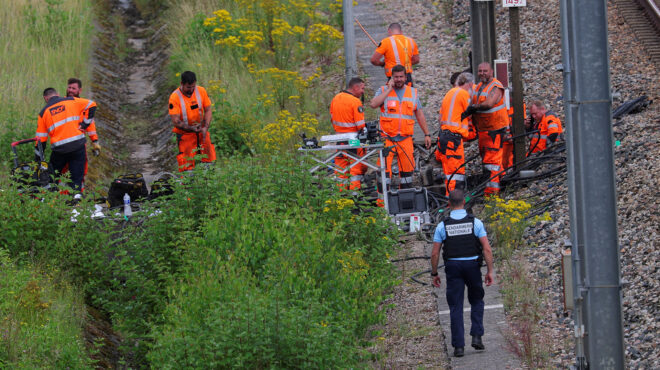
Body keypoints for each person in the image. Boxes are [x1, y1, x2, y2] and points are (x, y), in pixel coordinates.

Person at [431, 189, 494, 358]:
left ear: (449, 204)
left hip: (453, 267)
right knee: (476, 300)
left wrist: (434, 273)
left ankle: (459, 347)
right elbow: (487, 249)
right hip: (473, 266)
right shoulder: (476, 223)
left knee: (455, 306)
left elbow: (435, 253)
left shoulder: (442, 225)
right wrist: (490, 271)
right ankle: (477, 336)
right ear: (464, 203)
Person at [369, 65, 432, 189]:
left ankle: (405, 201)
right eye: (396, 77)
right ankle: (382, 205)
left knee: (407, 173)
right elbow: (373, 104)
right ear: (392, 77)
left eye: (401, 77)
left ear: (405, 77)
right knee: (383, 173)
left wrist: (426, 134)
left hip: (405, 139)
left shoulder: (412, 92)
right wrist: (388, 89)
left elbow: (419, 114)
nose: (398, 79)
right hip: (387, 139)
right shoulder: (383, 90)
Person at [36, 88, 97, 190]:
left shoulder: (43, 113)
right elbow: (92, 104)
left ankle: (50, 198)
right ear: (58, 94)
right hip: (78, 146)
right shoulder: (71, 100)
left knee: (53, 176)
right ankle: (76, 198)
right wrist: (85, 124)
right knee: (77, 178)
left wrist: (38, 161)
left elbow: (40, 140)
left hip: (60, 150)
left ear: (45, 98)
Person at [463, 62, 510, 195]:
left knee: (492, 162)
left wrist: (474, 108)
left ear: (491, 72)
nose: (482, 73)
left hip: (495, 130)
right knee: (489, 161)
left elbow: (489, 103)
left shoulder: (496, 87)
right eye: (480, 71)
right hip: (484, 130)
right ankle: (501, 182)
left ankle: (492, 193)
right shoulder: (478, 87)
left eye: (485, 71)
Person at [435, 73, 475, 194]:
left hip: (444, 136)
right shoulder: (464, 94)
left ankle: (450, 202)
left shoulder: (450, 93)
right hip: (453, 139)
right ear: (470, 84)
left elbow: (440, 118)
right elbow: (471, 113)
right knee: (456, 175)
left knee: (449, 175)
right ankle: (455, 205)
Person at [168, 71, 216, 172]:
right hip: (185, 135)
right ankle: (188, 185)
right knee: (187, 166)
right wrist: (191, 128)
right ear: (182, 84)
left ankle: (209, 181)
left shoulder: (201, 91)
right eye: (188, 87)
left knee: (210, 160)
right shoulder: (174, 97)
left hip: (202, 132)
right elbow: (175, 121)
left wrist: (205, 127)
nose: (191, 90)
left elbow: (208, 110)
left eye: (193, 86)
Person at [329, 77, 367, 190]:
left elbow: (332, 119)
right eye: (362, 88)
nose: (363, 92)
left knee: (341, 169)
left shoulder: (335, 99)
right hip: (354, 140)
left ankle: (341, 197)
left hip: (339, 140)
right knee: (356, 168)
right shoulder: (355, 102)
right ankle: (355, 197)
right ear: (355, 87)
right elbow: (360, 125)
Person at [64, 78, 101, 183]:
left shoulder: (84, 105)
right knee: (62, 172)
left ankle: (78, 195)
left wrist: (95, 141)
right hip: (62, 143)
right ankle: (61, 196)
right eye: (69, 87)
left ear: (79, 91)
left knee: (81, 172)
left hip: (78, 144)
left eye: (73, 88)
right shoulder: (61, 104)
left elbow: (90, 125)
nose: (70, 90)